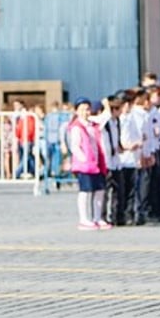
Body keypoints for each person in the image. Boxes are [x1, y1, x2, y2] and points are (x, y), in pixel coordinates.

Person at [66, 98, 110, 230]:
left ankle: (97, 217)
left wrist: (106, 105)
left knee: (99, 190)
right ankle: (83, 219)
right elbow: (75, 146)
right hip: (84, 164)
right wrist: (83, 158)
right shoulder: (76, 127)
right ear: (77, 111)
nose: (85, 112)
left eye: (87, 109)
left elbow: (105, 117)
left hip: (96, 162)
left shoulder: (92, 123)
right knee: (85, 191)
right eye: (82, 109)